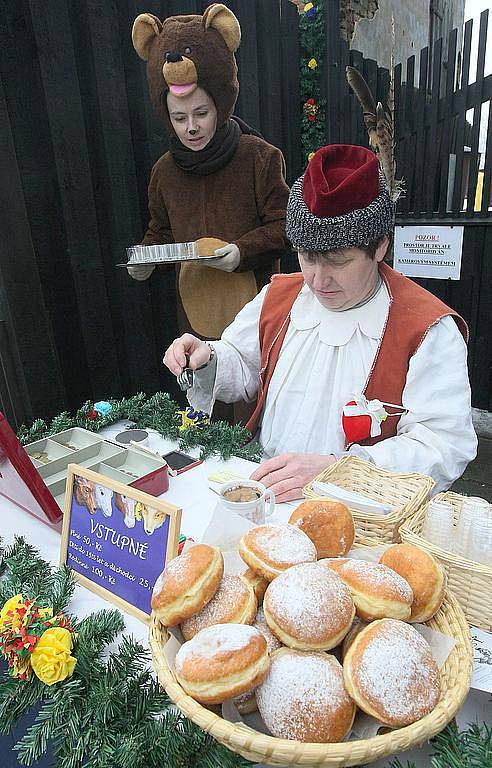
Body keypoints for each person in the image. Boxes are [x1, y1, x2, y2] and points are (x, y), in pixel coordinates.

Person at [163, 144, 477, 501]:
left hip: (361, 519)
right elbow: (244, 362)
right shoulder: (280, 296)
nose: (318, 279)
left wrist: (339, 470)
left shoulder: (428, 329)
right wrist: (210, 358)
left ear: (380, 247)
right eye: (308, 258)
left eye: (338, 261)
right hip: (265, 497)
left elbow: (444, 444)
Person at [129, 5, 290, 343]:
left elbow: (285, 227)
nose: (191, 127)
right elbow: (161, 233)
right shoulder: (164, 173)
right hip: (195, 318)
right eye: (179, 118)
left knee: (258, 396)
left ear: (219, 103)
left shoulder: (258, 157)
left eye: (201, 113)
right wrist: (144, 260)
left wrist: (242, 252)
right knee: (203, 395)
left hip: (255, 317)